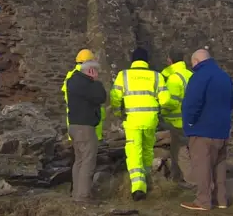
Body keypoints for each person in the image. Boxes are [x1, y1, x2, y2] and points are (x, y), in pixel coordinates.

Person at [110, 47, 171, 201]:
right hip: (150, 120)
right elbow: (165, 100)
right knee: (148, 149)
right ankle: (147, 176)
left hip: (133, 121)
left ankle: (138, 187)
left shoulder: (123, 75)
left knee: (134, 151)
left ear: (133, 60)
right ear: (147, 61)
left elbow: (115, 97)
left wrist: (118, 113)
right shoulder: (156, 76)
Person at [180, 49, 233, 211]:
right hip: (222, 129)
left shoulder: (200, 76)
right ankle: (221, 199)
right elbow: (230, 102)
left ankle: (203, 201)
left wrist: (189, 122)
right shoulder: (224, 76)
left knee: (202, 165)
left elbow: (192, 102)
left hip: (203, 128)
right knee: (219, 165)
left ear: (196, 61)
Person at [66, 60, 107, 205]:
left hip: (74, 126)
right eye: (96, 72)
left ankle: (76, 193)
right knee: (88, 161)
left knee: (79, 161)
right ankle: (83, 196)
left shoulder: (72, 81)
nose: (97, 75)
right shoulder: (87, 84)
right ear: (90, 71)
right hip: (85, 127)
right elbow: (101, 97)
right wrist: (96, 82)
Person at [160, 49, 194, 189]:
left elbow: (171, 102)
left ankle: (192, 182)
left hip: (178, 122)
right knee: (183, 150)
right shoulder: (191, 75)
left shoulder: (174, 78)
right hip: (192, 120)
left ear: (170, 60)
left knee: (181, 152)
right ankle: (176, 178)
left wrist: (161, 109)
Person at [61, 49, 106, 141]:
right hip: (88, 122)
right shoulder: (84, 75)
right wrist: (95, 81)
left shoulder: (71, 76)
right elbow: (98, 96)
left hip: (76, 121)